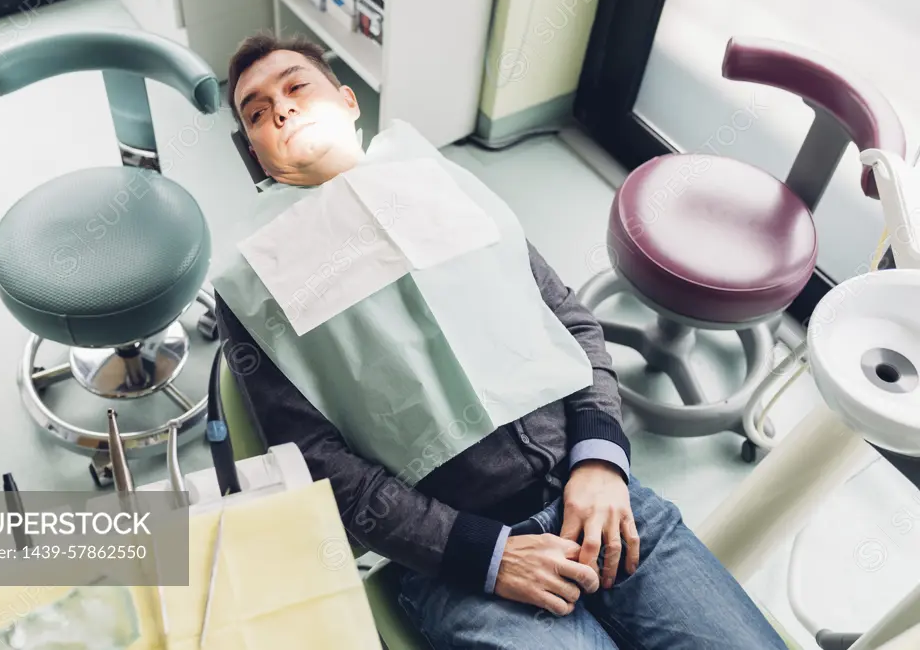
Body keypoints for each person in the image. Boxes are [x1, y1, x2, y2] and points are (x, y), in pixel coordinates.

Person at [215, 33, 787, 650]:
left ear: (349, 102)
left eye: (297, 86)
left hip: (593, 493)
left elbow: (573, 323)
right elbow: (318, 468)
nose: (281, 109)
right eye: (256, 111)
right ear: (258, 154)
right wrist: (486, 555)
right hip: (454, 565)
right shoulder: (255, 283)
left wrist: (599, 461)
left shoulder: (436, 183)